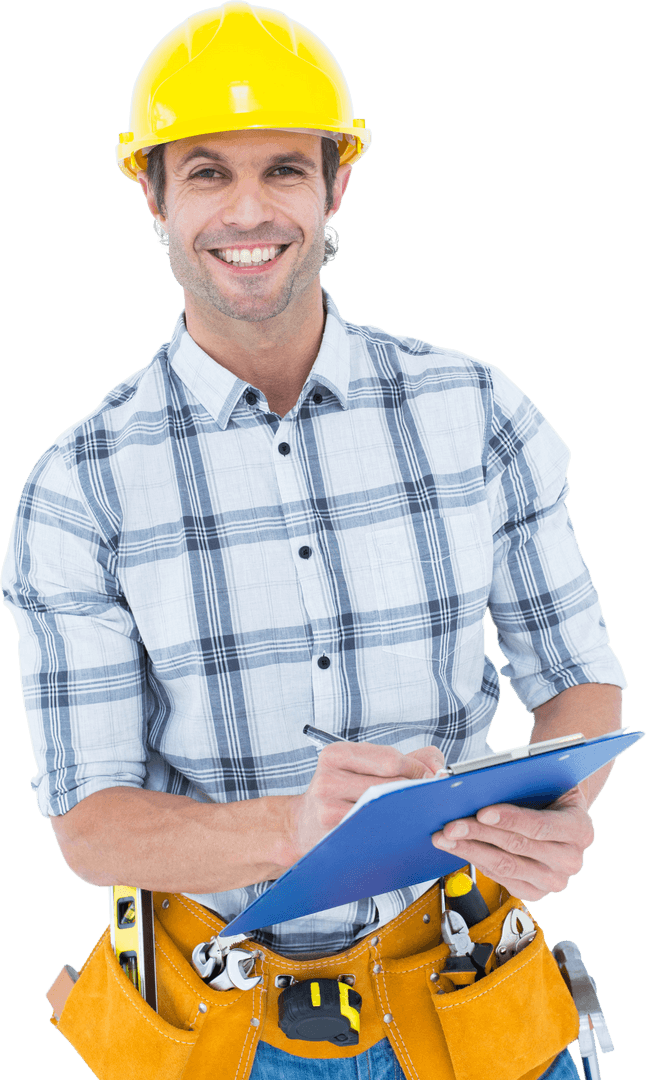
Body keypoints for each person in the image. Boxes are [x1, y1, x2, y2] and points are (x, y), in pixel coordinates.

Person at [1, 3, 626, 1079]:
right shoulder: (79, 486)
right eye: (206, 173)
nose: (250, 211)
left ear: (336, 183)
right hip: (217, 1028)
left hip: (469, 989)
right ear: (150, 192)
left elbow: (576, 686)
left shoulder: (474, 410)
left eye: (284, 169)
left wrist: (549, 815)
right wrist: (295, 831)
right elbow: (90, 825)